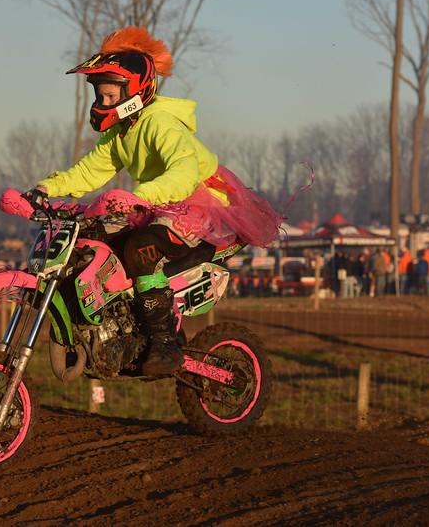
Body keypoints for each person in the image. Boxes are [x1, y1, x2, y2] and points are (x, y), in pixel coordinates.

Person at [29, 27, 282, 375]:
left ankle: (165, 342)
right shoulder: (121, 131)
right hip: (160, 201)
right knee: (91, 237)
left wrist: (139, 197)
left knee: (140, 248)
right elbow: (89, 171)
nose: (102, 103)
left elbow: (184, 172)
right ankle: (113, 326)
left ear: (134, 92)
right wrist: (44, 189)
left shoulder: (160, 123)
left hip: (202, 203)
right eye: (99, 95)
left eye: (109, 95)